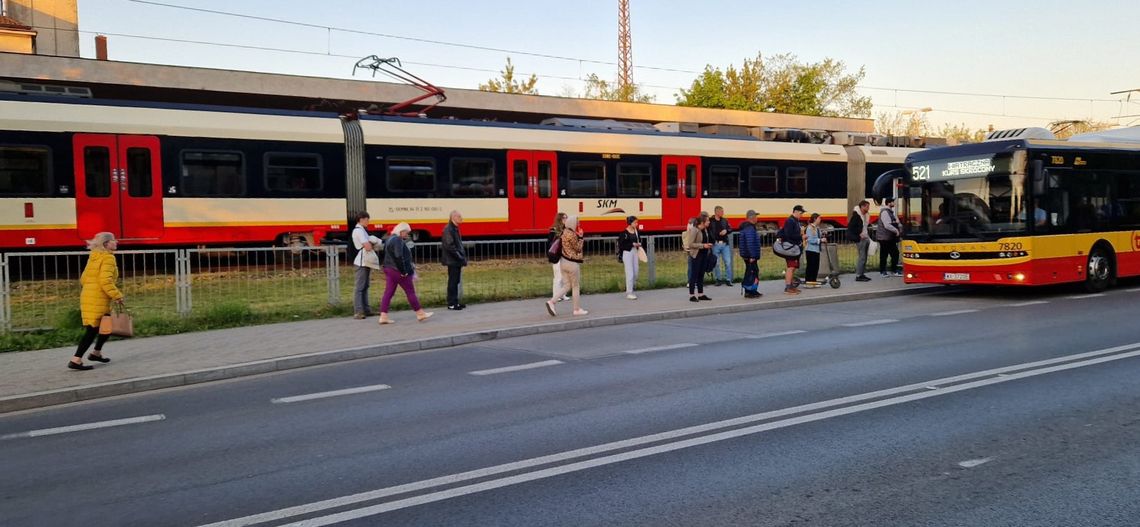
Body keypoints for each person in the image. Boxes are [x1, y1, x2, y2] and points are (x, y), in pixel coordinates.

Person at [71, 232, 124, 370]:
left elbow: (83, 278)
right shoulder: (108, 258)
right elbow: (105, 281)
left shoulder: (94, 257)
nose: (116, 242)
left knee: (106, 325)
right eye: (113, 240)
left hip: (89, 295)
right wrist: (117, 295)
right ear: (106, 244)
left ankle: (96, 353)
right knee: (92, 330)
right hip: (98, 296)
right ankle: (76, 360)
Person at [378, 223, 433, 324]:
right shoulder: (398, 240)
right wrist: (404, 271)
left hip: (389, 269)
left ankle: (383, 316)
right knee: (410, 291)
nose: (407, 235)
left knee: (388, 293)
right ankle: (420, 313)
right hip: (398, 270)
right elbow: (399, 256)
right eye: (406, 232)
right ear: (401, 231)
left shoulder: (389, 239)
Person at [546, 216, 587, 316]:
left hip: (563, 262)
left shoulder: (563, 233)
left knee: (566, 285)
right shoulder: (572, 234)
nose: (578, 225)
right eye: (577, 223)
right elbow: (578, 248)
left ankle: (552, 302)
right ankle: (576, 309)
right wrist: (581, 237)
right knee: (575, 286)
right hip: (572, 263)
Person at [351, 211, 378, 319]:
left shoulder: (362, 230)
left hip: (364, 261)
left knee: (364, 286)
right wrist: (372, 243)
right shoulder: (359, 231)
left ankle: (366, 310)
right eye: (367, 219)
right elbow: (367, 246)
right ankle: (358, 311)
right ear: (361, 219)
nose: (368, 221)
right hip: (362, 262)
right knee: (360, 287)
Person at [441, 210, 468, 310]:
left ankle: (454, 301)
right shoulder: (449, 229)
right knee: (453, 281)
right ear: (453, 218)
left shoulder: (453, 228)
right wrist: (460, 257)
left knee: (455, 281)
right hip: (453, 260)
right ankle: (451, 303)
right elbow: (450, 246)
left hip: (454, 259)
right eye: (459, 216)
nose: (461, 218)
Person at [776, 205, 805, 295]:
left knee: (793, 267)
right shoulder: (790, 221)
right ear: (795, 211)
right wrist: (801, 236)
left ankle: (791, 286)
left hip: (794, 248)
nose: (801, 215)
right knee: (791, 267)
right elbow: (789, 235)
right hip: (791, 248)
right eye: (800, 213)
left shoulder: (795, 221)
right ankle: (788, 287)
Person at [683, 215, 713, 302]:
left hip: (704, 254)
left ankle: (701, 294)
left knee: (701, 274)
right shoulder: (694, 230)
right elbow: (690, 244)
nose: (709, 222)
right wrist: (703, 246)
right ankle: (692, 295)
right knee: (694, 275)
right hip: (696, 255)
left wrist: (708, 245)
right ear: (702, 222)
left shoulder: (705, 230)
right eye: (707, 221)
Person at [738, 209, 762, 299]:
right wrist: (752, 256)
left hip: (746, 254)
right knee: (753, 272)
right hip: (750, 255)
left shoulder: (746, 227)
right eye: (756, 217)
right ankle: (750, 291)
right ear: (752, 218)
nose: (757, 219)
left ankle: (752, 290)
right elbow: (750, 242)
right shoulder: (750, 228)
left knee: (750, 271)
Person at [617, 215, 642, 300]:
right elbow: (621, 245)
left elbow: (639, 240)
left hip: (635, 252)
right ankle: (629, 292)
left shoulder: (636, 231)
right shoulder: (624, 233)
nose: (637, 224)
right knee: (629, 272)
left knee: (636, 271)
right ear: (630, 223)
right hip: (627, 253)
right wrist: (632, 244)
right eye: (635, 222)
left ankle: (631, 287)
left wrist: (639, 244)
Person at [876, 198, 902, 277]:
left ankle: (890, 270)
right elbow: (887, 225)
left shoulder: (890, 212)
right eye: (892, 202)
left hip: (888, 237)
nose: (894, 203)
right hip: (884, 237)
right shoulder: (885, 212)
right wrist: (896, 231)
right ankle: (884, 271)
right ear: (888, 203)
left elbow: (895, 222)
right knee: (886, 254)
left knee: (892, 253)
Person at [547, 212, 570, 302]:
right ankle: (556, 295)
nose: (566, 219)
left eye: (566, 217)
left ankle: (563, 294)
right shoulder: (554, 230)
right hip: (557, 256)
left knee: (565, 276)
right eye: (564, 218)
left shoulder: (567, 229)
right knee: (558, 276)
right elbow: (550, 244)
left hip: (565, 256)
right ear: (559, 219)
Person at [848, 200, 872, 282]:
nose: (868, 208)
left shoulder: (865, 215)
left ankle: (862, 273)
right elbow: (851, 228)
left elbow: (865, 226)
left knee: (864, 257)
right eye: (867, 206)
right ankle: (858, 275)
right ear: (862, 206)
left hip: (865, 238)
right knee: (862, 257)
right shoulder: (856, 216)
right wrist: (859, 234)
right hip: (860, 239)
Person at [708, 206, 733, 286]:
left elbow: (730, 228)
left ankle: (728, 279)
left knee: (728, 262)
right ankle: (718, 279)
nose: (723, 213)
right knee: (717, 263)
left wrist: (726, 230)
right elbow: (708, 231)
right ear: (716, 212)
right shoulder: (711, 221)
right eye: (721, 211)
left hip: (725, 244)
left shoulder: (725, 220)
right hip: (716, 244)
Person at [803, 213, 825, 286]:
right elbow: (810, 239)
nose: (820, 220)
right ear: (815, 219)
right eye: (819, 218)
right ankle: (809, 281)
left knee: (815, 266)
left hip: (816, 250)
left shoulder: (816, 228)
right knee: (811, 266)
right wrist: (820, 240)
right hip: (811, 250)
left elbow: (816, 236)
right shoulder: (810, 228)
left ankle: (813, 281)